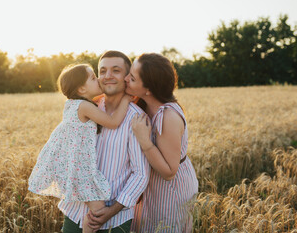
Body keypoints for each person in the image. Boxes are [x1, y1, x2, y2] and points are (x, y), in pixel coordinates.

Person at [28, 64, 133, 233]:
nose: (98, 79)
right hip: (81, 170)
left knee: (96, 207)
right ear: (82, 89)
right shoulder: (84, 107)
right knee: (98, 211)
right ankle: (87, 227)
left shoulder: (72, 104)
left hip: (73, 167)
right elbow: (113, 123)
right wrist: (126, 99)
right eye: (93, 77)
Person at [58, 51, 150, 233]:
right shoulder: (86, 110)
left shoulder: (137, 119)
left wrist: (111, 210)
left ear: (127, 77)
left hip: (115, 218)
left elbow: (140, 174)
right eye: (102, 71)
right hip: (76, 210)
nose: (107, 76)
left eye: (115, 70)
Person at [125, 53, 199, 233]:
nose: (126, 79)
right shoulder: (142, 104)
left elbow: (169, 172)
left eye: (132, 78)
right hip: (152, 185)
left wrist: (144, 140)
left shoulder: (168, 116)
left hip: (170, 190)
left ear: (148, 89)